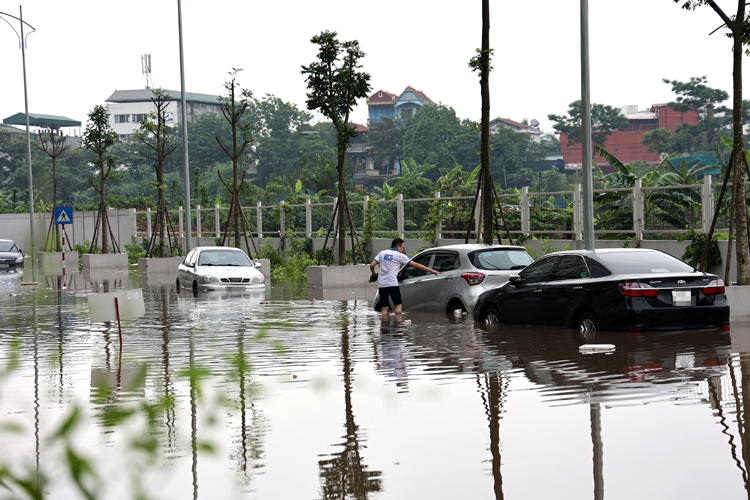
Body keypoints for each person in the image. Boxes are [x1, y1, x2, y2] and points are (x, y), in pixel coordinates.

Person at [370, 238, 440, 318]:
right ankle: (398, 327)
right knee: (398, 306)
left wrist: (374, 273)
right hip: (392, 284)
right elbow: (416, 265)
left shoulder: (382, 253)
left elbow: (372, 265)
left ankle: (385, 327)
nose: (403, 250)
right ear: (398, 247)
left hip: (382, 285)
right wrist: (431, 270)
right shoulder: (399, 256)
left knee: (385, 308)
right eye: (402, 247)